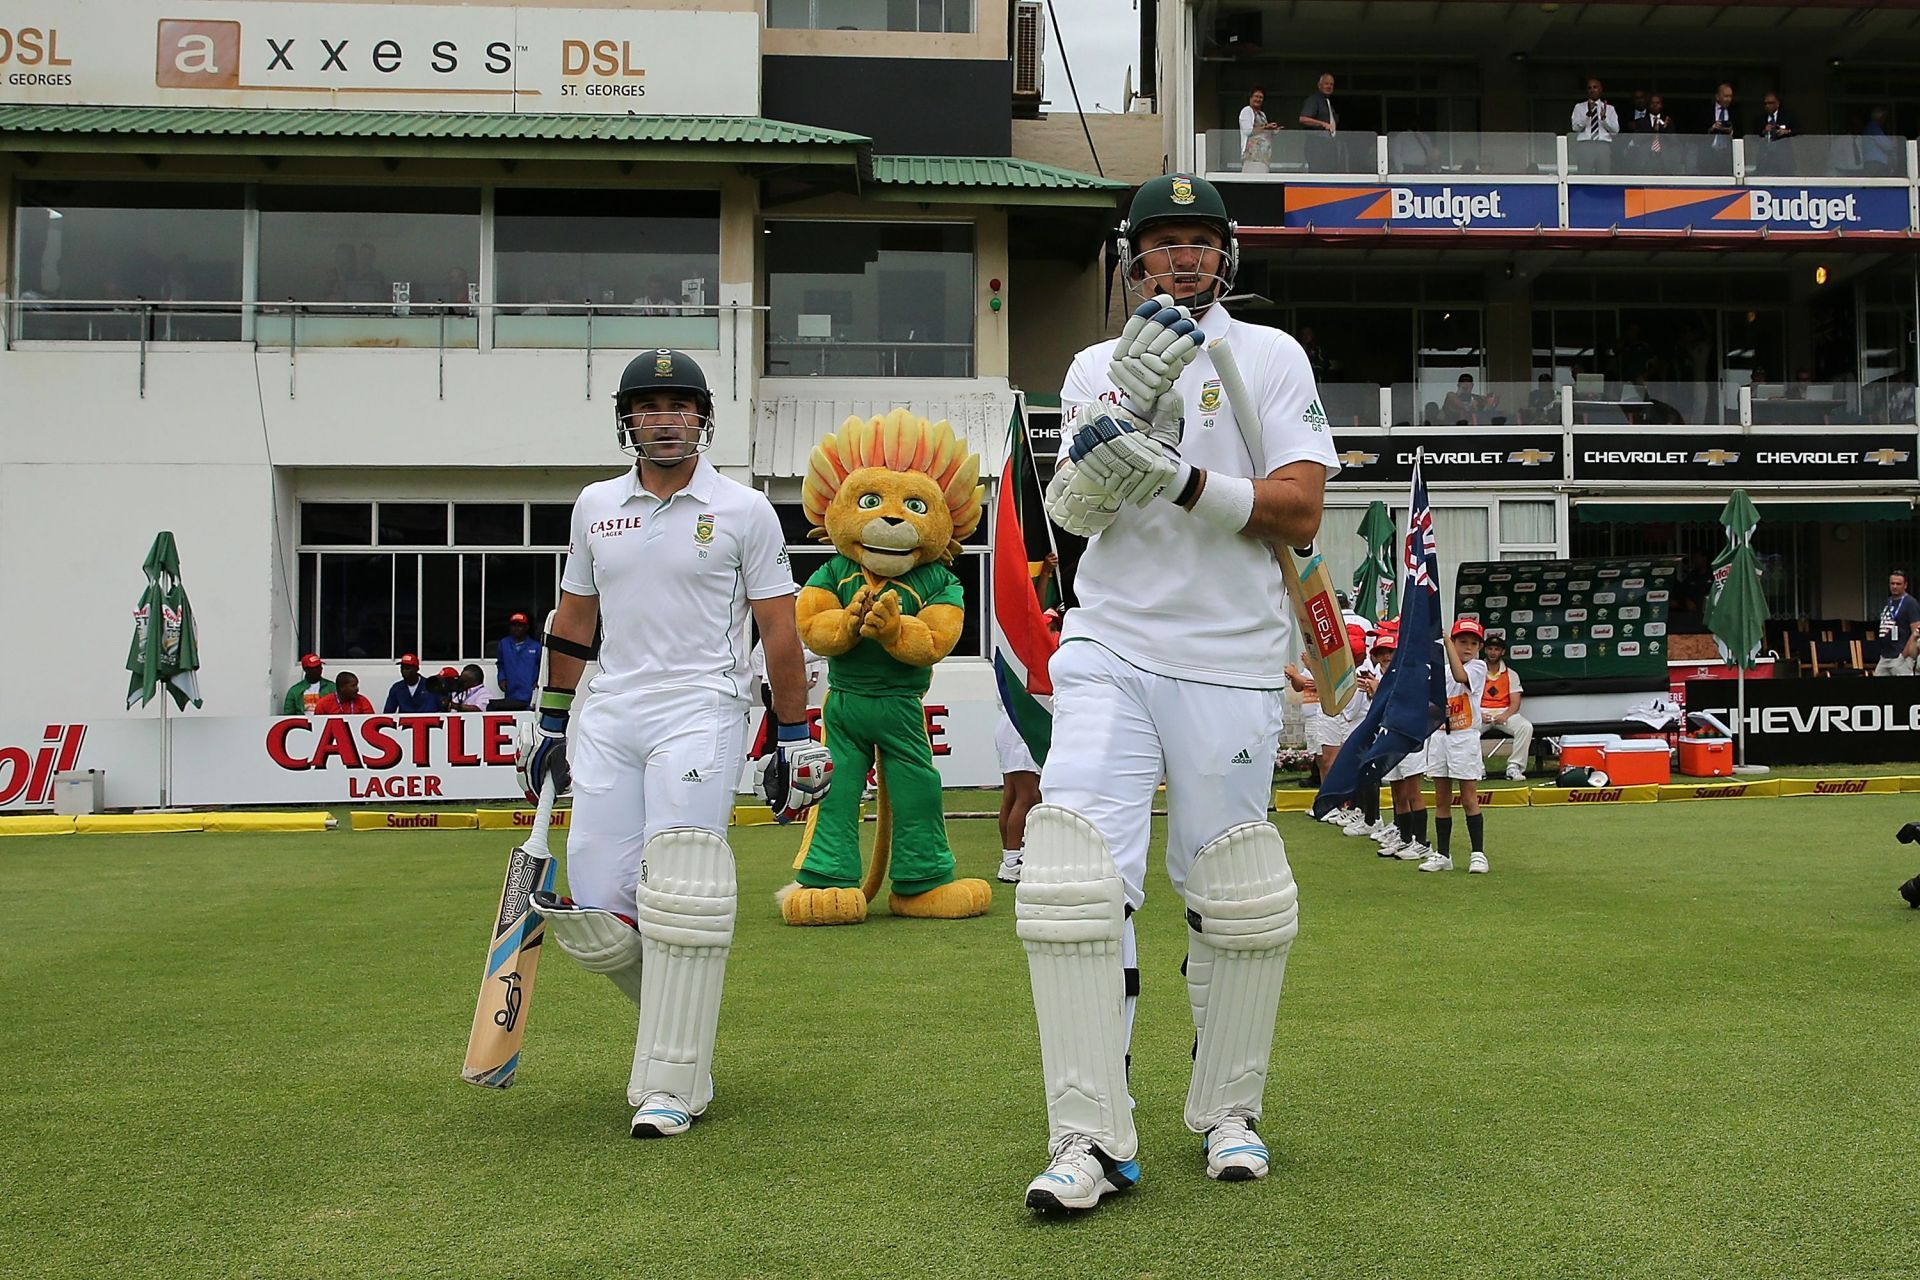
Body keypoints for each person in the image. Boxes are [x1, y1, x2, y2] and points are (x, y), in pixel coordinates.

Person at [1024, 172, 1338, 1209]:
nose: (1183, 260)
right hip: (1110, 640)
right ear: (1133, 258)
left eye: (1200, 243)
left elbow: (1297, 510)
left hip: (1231, 655)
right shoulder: (1088, 365)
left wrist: (1180, 477)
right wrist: (1126, 403)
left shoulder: (1270, 357)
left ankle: (1230, 1111)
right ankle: (1086, 1135)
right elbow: (1072, 512)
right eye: (1163, 244)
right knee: (1073, 875)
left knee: (1232, 887)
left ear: (1227, 256)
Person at [515, 348, 831, 1140]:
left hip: (703, 707)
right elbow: (574, 618)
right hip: (610, 712)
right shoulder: (594, 505)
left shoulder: (744, 509)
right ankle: (682, 1040)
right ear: (627, 419)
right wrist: (549, 719)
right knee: (594, 907)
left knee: (678, 887)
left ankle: (671, 1084)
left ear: (702, 417)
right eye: (649, 405)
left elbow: (778, 631)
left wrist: (792, 734)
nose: (664, 418)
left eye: (679, 405)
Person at [1420, 618, 1489, 874]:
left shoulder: (1478, 667)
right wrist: (1437, 710)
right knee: (1441, 799)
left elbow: (1462, 676)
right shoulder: (1440, 672)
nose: (1468, 647)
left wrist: (1447, 643)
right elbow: (1428, 705)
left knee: (1469, 797)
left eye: (1473, 643)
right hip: (1440, 737)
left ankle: (1478, 853)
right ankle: (1443, 854)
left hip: (1464, 737)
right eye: (1462, 642)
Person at [1478, 633, 1532, 781]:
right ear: (1485, 650)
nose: (1493, 652)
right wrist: (1479, 714)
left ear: (1502, 652)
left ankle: (1514, 767)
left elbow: (1515, 702)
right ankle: (1477, 768)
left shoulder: (1511, 674)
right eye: (1490, 648)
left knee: (1525, 727)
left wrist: (1505, 716)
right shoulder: (1477, 671)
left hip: (1504, 712)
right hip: (1481, 712)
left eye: (1496, 649)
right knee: (1468, 729)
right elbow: (1470, 698)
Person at [1874, 569, 1920, 676]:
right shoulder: (1889, 601)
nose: (1894, 586)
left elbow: (1916, 632)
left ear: (1905, 585)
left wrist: (1903, 655)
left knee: (1903, 690)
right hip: (1885, 656)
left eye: (1898, 584)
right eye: (1892, 583)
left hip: (1900, 657)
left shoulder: (1910, 603)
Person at [1571, 78, 1620, 174]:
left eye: (1595, 87)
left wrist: (1604, 119)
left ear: (1601, 89)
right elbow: (1575, 128)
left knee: (1603, 175)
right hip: (1585, 145)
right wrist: (1587, 116)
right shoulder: (1579, 107)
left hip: (1603, 145)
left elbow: (1615, 130)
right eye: (1589, 88)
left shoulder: (1609, 109)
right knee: (1584, 175)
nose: (1592, 90)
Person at [495, 612, 541, 710]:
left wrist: (538, 682)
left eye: (520, 625)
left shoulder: (536, 646)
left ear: (526, 627)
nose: (516, 628)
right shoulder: (504, 644)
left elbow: (543, 667)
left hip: (529, 694)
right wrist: (501, 679)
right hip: (511, 693)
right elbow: (500, 664)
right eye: (514, 625)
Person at [1298, 72, 1339, 171]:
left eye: (1331, 84)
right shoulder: (1314, 100)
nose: (1329, 86)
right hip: (1317, 146)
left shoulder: (1328, 102)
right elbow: (1303, 119)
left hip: (1330, 147)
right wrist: (1323, 124)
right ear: (1319, 85)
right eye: (1326, 84)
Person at [1239, 87, 1280, 173]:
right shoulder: (1247, 111)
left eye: (1261, 97)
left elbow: (1264, 132)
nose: (1258, 99)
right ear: (1250, 98)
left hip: (1264, 156)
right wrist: (1266, 127)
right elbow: (1248, 131)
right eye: (1256, 96)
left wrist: (1272, 130)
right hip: (1253, 155)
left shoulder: (1262, 114)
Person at [1863, 107, 1898, 176]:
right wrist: (1894, 143)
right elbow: (1887, 145)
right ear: (1880, 117)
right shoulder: (1873, 128)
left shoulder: (1872, 127)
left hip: (1876, 163)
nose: (1885, 120)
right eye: (1884, 117)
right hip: (1875, 164)